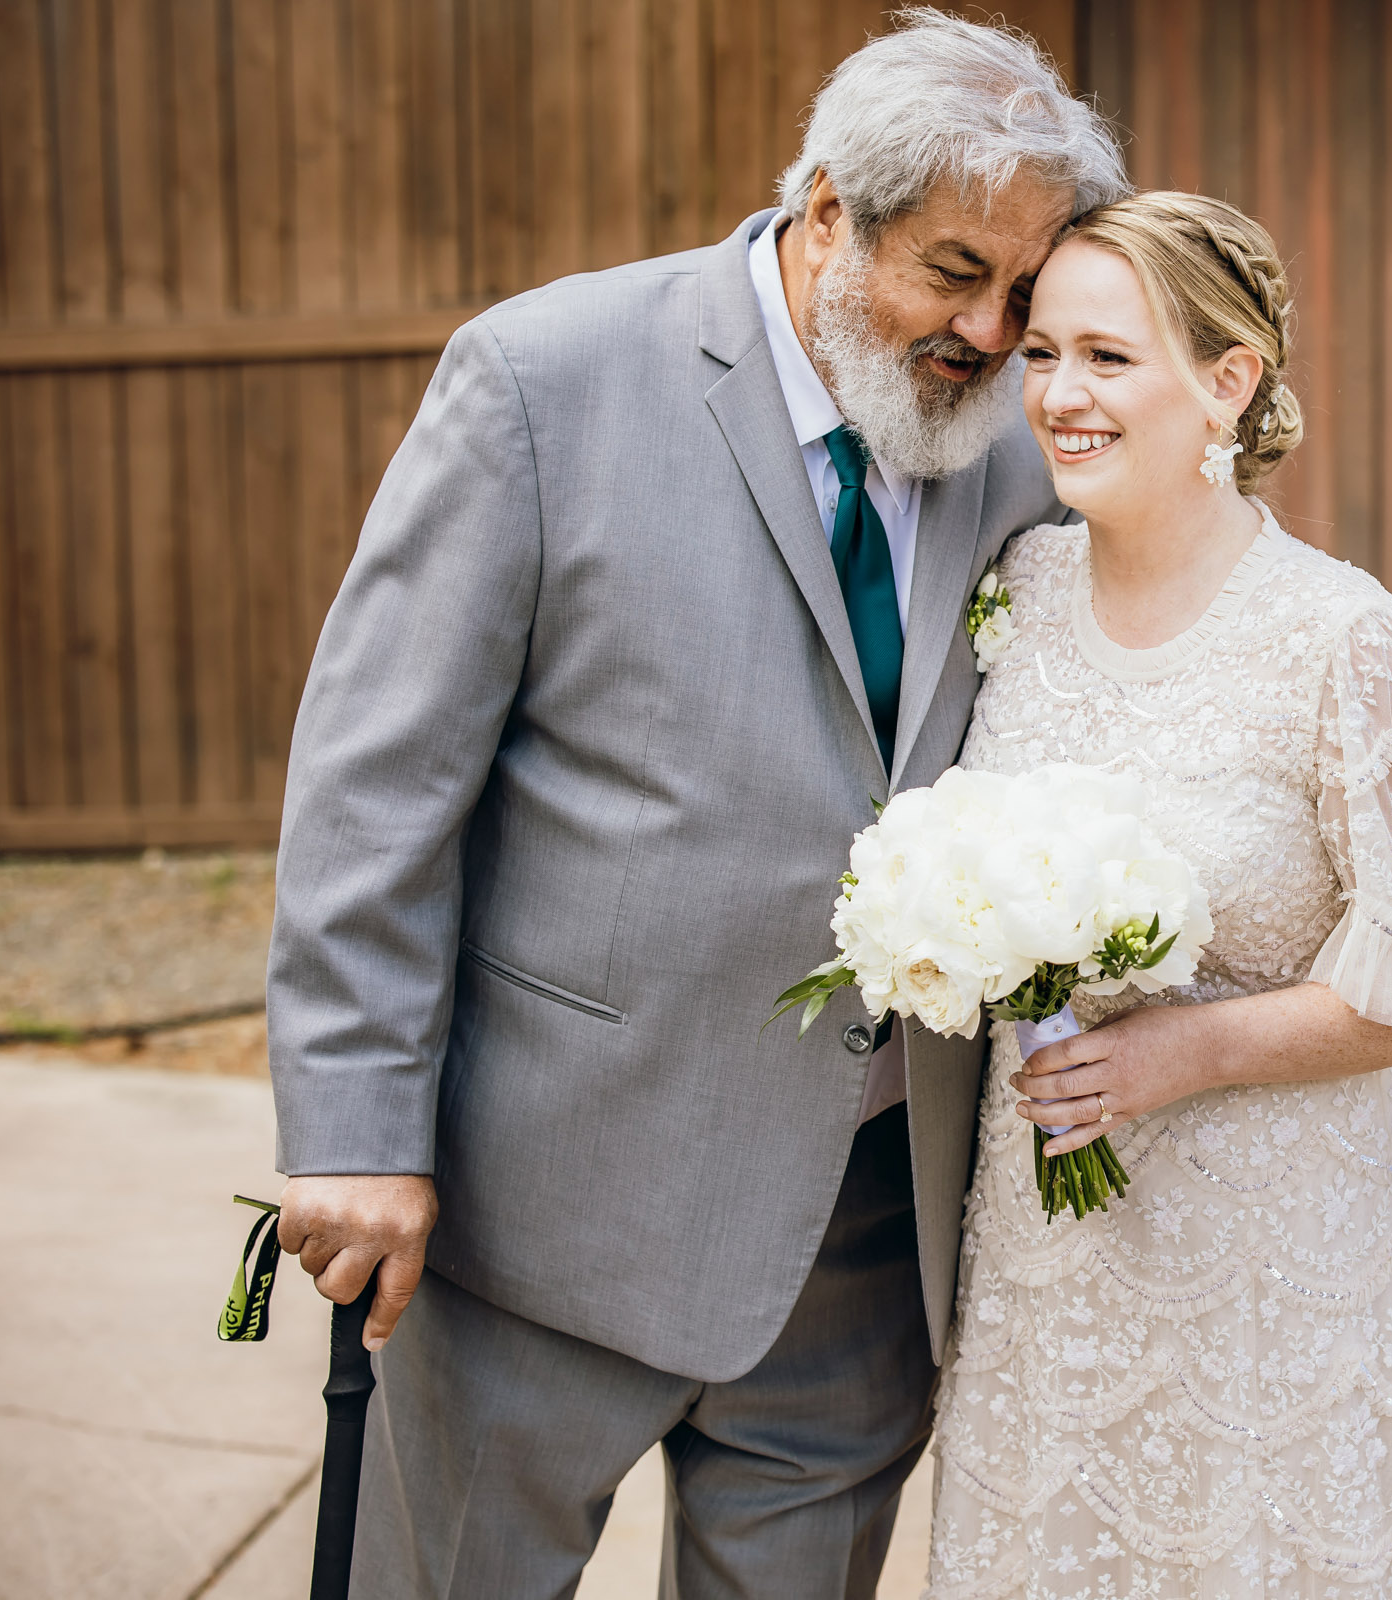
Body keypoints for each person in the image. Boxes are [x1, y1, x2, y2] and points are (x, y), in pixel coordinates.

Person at [262, 15, 1125, 1595]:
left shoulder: (1017, 454)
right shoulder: (543, 377)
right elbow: (376, 788)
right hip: (543, 1213)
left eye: (1027, 290)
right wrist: (353, 1131)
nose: (997, 333)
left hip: (863, 1238)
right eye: (955, 273)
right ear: (820, 215)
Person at [922, 191, 1392, 1596]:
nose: (1061, 396)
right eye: (1042, 356)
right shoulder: (1015, 590)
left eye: (1107, 357)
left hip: (1269, 1280)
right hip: (1051, 1277)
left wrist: (1186, 1049)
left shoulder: (1340, 637)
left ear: (1228, 380)